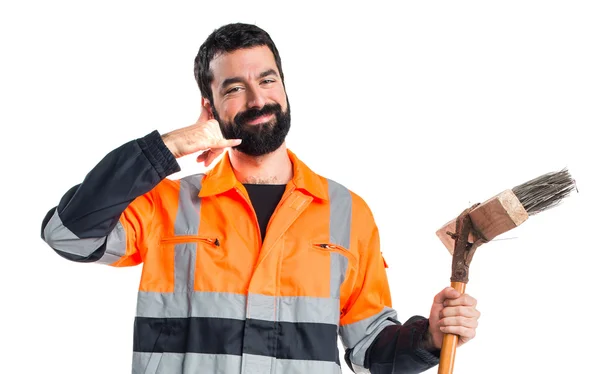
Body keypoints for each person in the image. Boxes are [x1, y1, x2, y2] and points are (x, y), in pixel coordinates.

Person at [41, 23, 480, 374]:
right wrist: (172, 144)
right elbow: (69, 234)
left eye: (267, 80)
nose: (257, 99)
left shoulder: (348, 212)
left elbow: (369, 349)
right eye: (234, 88)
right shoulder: (166, 205)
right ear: (210, 108)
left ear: (284, 88)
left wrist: (430, 339)